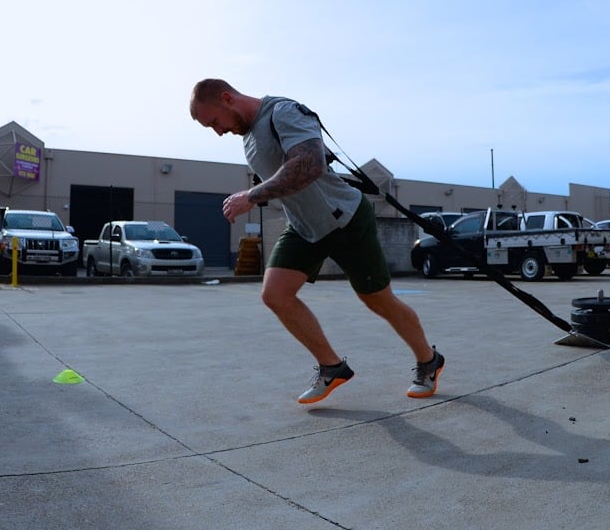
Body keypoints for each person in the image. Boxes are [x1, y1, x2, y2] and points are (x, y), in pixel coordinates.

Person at [189, 78, 444, 404]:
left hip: (345, 220)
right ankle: (331, 366)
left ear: (226, 99)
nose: (218, 131)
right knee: (275, 295)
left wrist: (251, 196)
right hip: (304, 228)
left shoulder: (283, 112)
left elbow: (310, 164)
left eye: (214, 122)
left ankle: (428, 360)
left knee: (378, 300)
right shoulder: (249, 137)